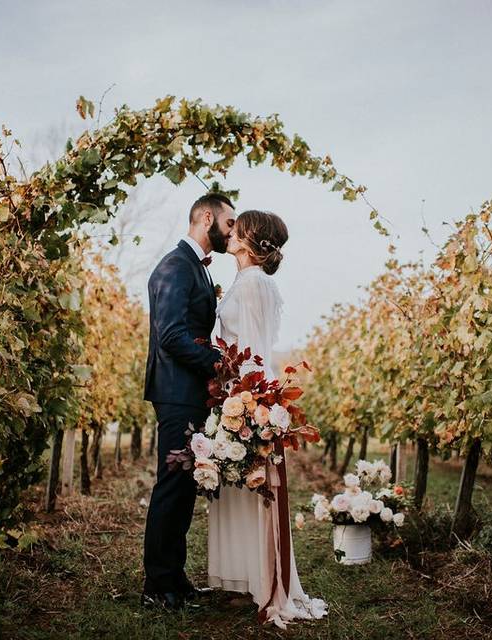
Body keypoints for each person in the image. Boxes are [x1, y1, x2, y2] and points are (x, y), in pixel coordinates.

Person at [206, 210, 328, 628]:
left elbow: (255, 348)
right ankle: (243, 576)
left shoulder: (256, 282)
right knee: (239, 488)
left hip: (248, 393)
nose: (231, 229)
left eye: (238, 226)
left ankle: (264, 581)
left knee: (256, 490)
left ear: (250, 238)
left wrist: (252, 399)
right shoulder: (245, 280)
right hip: (232, 391)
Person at [141, 193, 235, 610]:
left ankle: (174, 581)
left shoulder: (192, 267)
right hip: (177, 392)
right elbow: (171, 335)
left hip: (189, 392)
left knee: (183, 491)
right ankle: (157, 587)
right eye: (230, 223)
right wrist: (218, 363)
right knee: (172, 488)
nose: (233, 231)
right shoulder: (175, 266)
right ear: (207, 218)